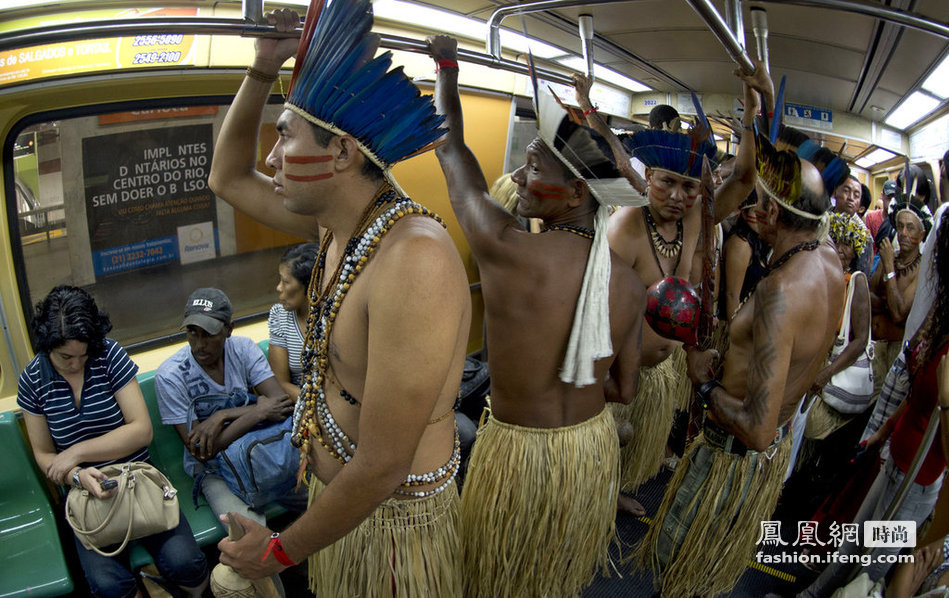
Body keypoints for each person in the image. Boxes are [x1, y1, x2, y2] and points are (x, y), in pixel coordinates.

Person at [208, 5, 470, 597]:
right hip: (342, 510)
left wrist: (275, 554)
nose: (271, 159)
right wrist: (262, 68)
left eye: (285, 137)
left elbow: (382, 466)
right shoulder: (336, 228)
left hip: (394, 527)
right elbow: (227, 180)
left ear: (343, 153)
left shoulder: (413, 260)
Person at [429, 35, 645, 598]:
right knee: (557, 579)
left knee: (496, 577)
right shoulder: (627, 281)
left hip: (519, 458)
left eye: (531, 167)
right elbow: (623, 388)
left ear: (576, 190)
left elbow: (450, 149)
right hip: (589, 455)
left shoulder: (507, 248)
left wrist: (447, 69)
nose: (520, 180)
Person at [637, 124, 845, 597]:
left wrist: (703, 383)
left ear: (771, 210)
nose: (750, 206)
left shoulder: (779, 292)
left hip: (731, 461)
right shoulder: (830, 263)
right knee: (701, 581)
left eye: (757, 198)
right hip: (761, 466)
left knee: (678, 579)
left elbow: (756, 428)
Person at [574, 65, 761, 513]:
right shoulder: (626, 229)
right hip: (619, 376)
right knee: (603, 461)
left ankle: (618, 486)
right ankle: (601, 496)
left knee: (635, 459)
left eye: (689, 187)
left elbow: (746, 179)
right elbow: (594, 317)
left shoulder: (700, 218)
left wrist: (752, 116)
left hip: (663, 374)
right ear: (650, 180)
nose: (678, 196)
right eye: (667, 183)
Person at [18, 286, 208, 598]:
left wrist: (75, 453)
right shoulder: (34, 378)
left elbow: (140, 431)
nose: (76, 364)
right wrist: (76, 474)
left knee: (185, 562)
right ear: (47, 346)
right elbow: (43, 452)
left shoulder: (108, 354)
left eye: (83, 355)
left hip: (136, 476)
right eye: (65, 357)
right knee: (107, 585)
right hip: (83, 490)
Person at [800, 206, 949, 597]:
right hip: (896, 452)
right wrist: (884, 430)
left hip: (918, 479)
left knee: (873, 563)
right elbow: (918, 390)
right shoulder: (941, 316)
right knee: (852, 544)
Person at [154, 288, 301, 522]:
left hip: (263, 450)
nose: (199, 344)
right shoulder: (171, 376)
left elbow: (280, 404)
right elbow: (203, 451)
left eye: (209, 334)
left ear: (229, 329)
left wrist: (223, 415)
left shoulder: (242, 348)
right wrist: (257, 412)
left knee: (324, 501)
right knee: (247, 535)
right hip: (215, 472)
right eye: (192, 333)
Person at [868, 199, 931, 403]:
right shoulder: (891, 256)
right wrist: (888, 303)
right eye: (900, 226)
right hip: (874, 347)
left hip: (896, 352)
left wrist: (888, 267)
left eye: (910, 228)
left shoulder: (922, 268)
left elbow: (898, 313)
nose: (903, 232)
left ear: (921, 235)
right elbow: (867, 295)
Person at [268, 242, 320, 399]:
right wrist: (316, 406)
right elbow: (280, 384)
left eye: (285, 282)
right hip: (303, 404)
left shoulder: (337, 315)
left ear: (309, 286)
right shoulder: (280, 318)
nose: (278, 287)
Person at [864, 179, 897, 253]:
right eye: (889, 198)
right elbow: (868, 248)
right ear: (882, 196)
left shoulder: (898, 222)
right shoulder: (871, 217)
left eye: (894, 199)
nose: (891, 202)